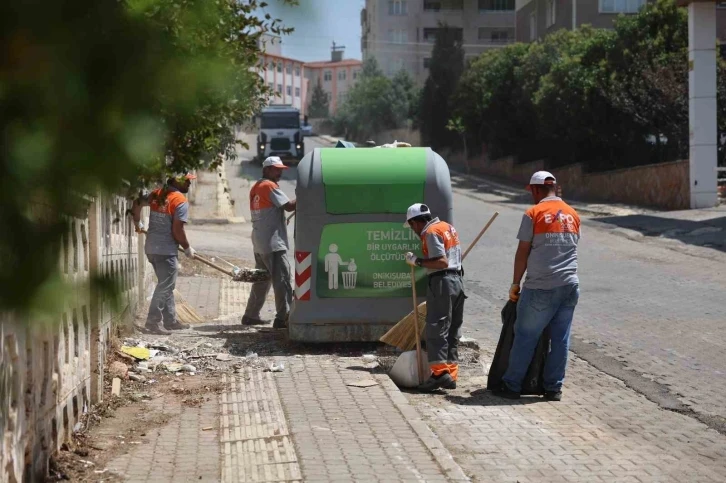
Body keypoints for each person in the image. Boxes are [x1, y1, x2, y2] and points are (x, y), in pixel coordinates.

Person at [495, 171, 581, 401]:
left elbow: (523, 252)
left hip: (541, 288)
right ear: (554, 187)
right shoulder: (573, 214)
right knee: (560, 339)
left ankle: (512, 386)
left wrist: (515, 283)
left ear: (535, 190)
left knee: (525, 336)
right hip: (570, 285)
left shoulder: (534, 213)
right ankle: (554, 388)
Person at [404, 203, 465, 392]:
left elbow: (441, 261)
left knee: (436, 327)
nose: (413, 230)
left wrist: (417, 261)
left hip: (442, 282)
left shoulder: (430, 232)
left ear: (416, 221)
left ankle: (439, 374)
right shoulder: (447, 227)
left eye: (412, 226)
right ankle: (451, 374)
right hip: (457, 281)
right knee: (452, 328)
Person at [131, 172, 197, 335]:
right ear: (176, 180)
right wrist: (187, 247)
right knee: (165, 286)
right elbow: (177, 229)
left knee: (165, 284)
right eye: (187, 181)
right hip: (166, 251)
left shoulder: (157, 193)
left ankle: (170, 320)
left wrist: (137, 222)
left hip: (152, 249)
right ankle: (152, 322)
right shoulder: (179, 200)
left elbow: (137, 202)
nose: (189, 184)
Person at [242, 156, 296, 328]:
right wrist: (306, 193)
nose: (279, 172)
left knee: (262, 280)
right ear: (266, 169)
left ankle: (250, 315)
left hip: (260, 242)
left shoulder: (257, 187)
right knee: (282, 280)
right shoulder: (269, 186)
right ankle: (283, 317)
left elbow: (270, 211)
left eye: (280, 169)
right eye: (276, 169)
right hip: (273, 244)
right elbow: (288, 206)